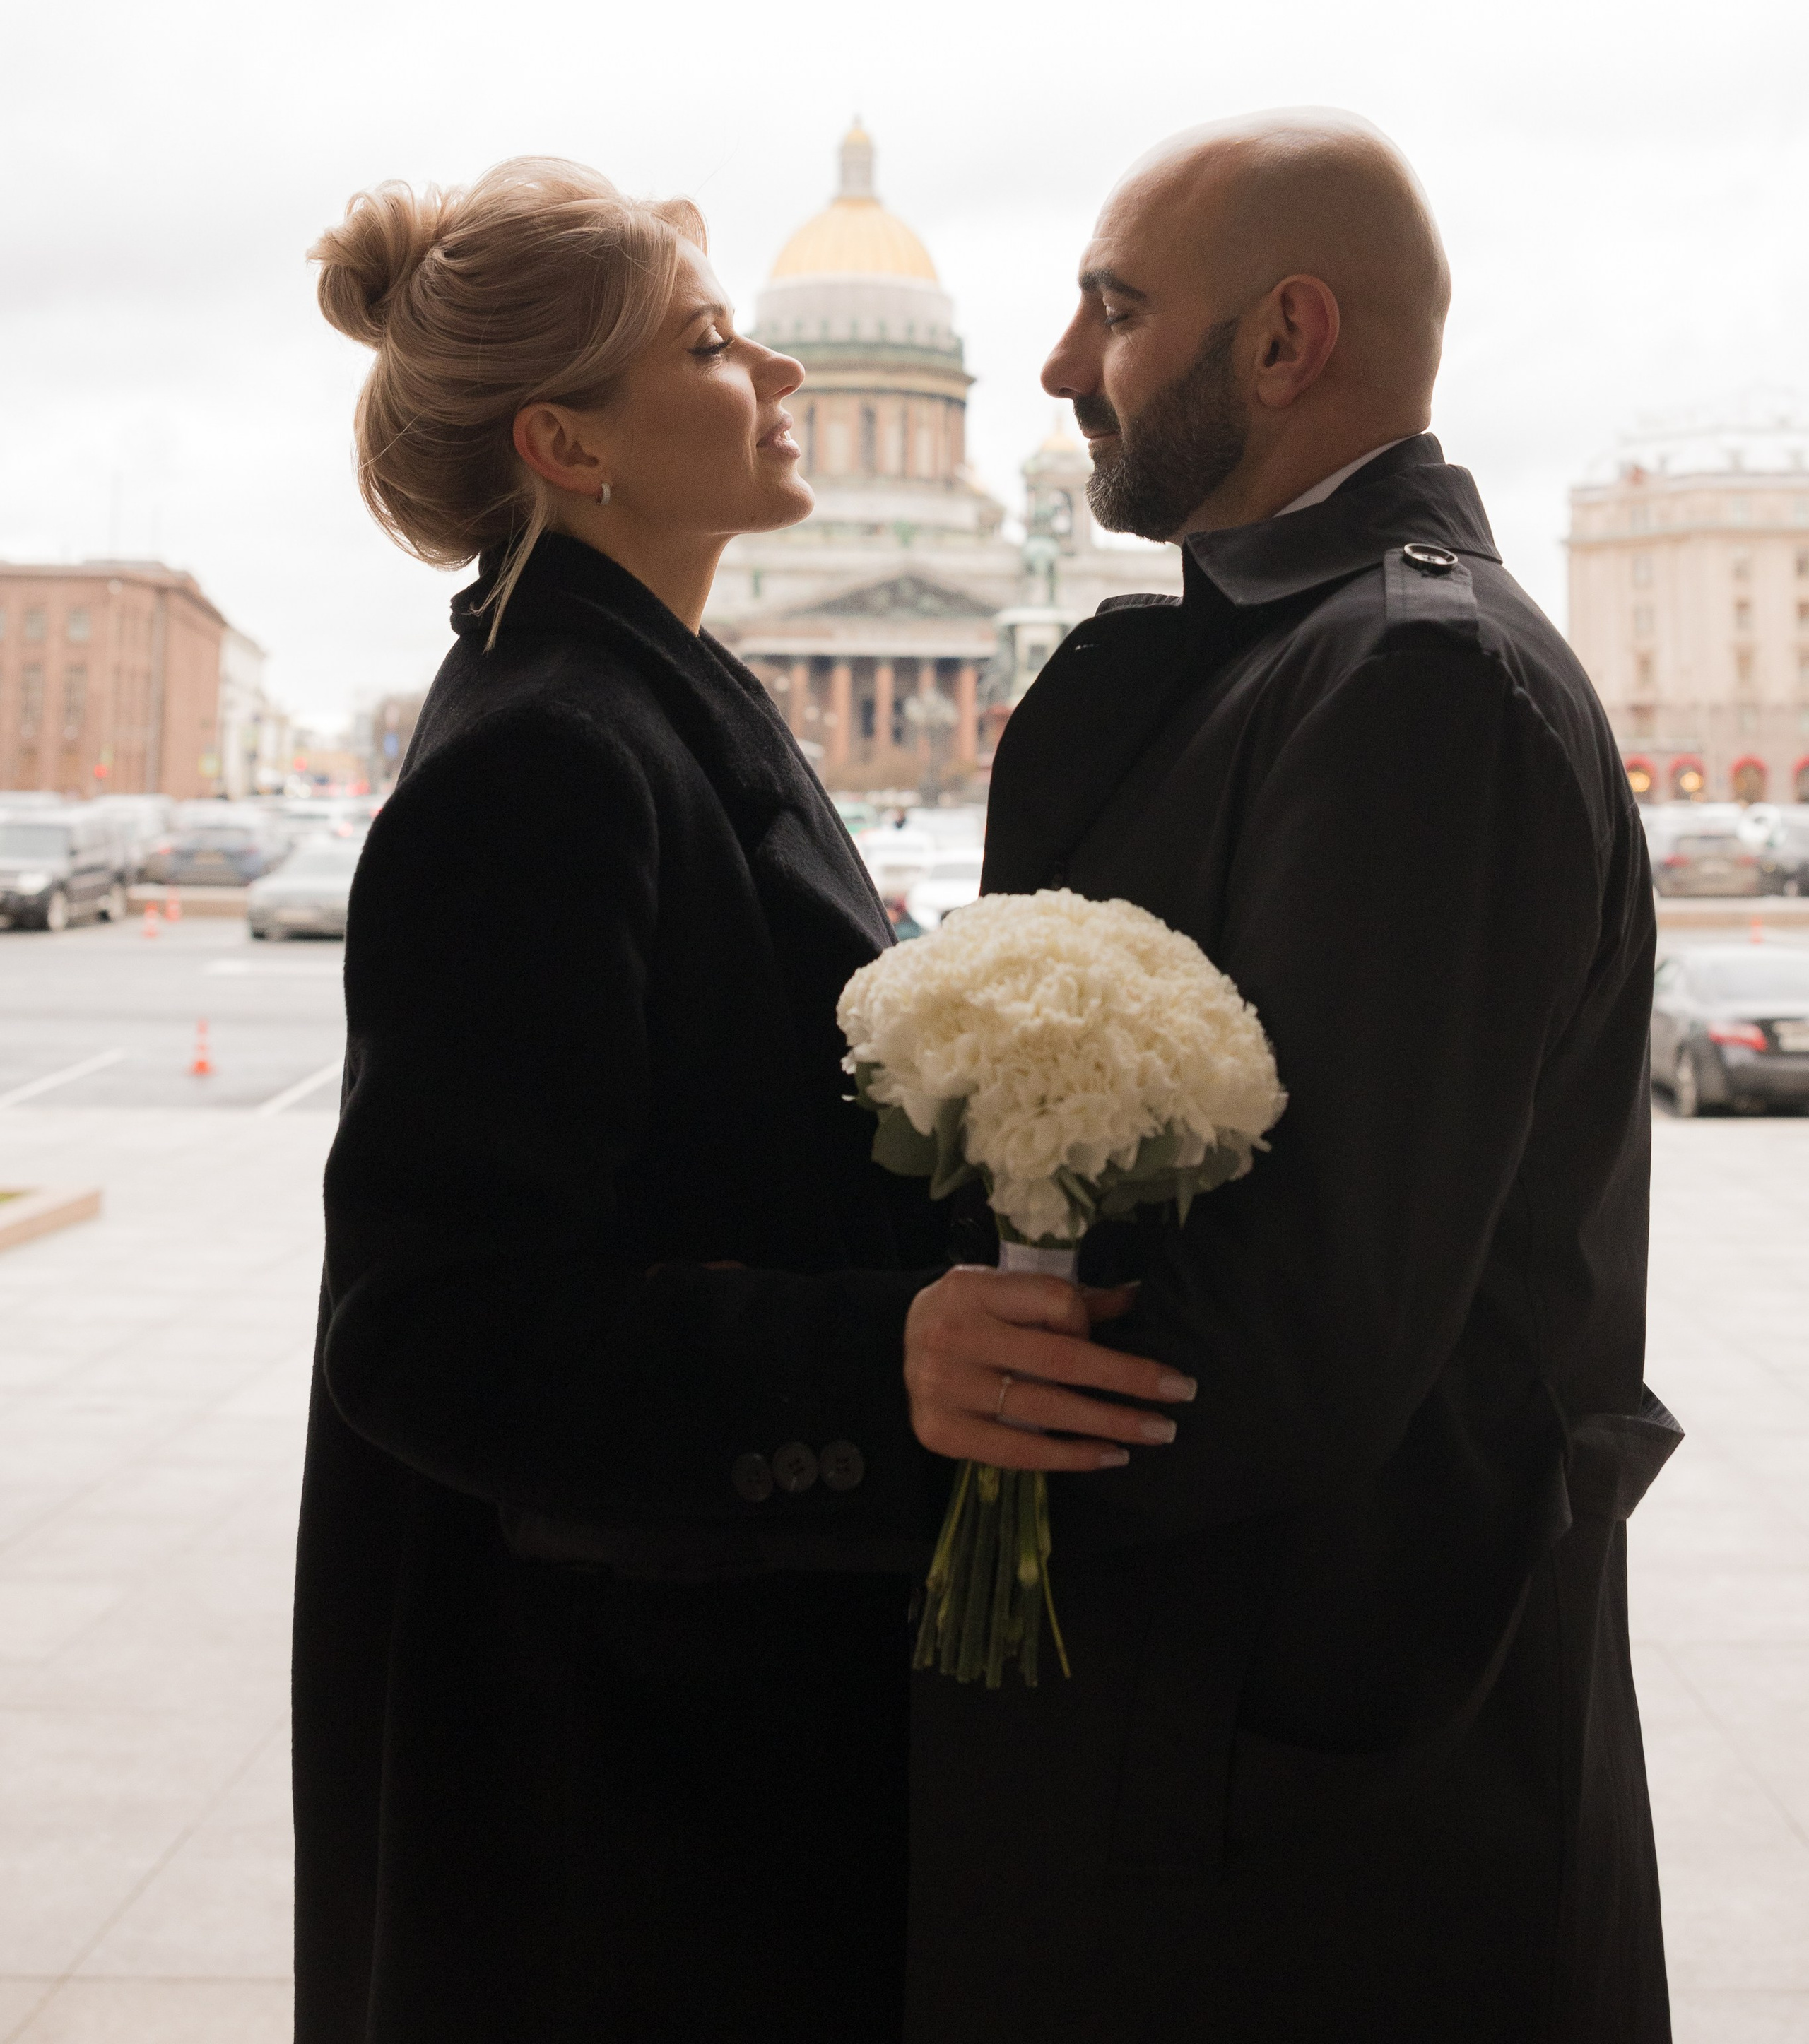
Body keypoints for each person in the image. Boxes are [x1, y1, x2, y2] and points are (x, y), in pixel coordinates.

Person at [290, 158, 1183, 2043]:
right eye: (710, 342)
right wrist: (878, 1363)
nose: (776, 368)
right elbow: (431, 1326)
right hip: (623, 1783)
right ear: (569, 443)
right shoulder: (547, 757)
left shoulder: (653, 700)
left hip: (683, 1717)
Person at [906, 112, 1678, 2043]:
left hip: (1324, 1810)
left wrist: (949, 1410)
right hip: (1240, 1756)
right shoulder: (1304, 652)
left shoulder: (1412, 680)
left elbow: (1307, 1331)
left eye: (1114, 308)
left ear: (1284, 341)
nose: (1067, 366)